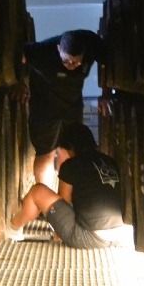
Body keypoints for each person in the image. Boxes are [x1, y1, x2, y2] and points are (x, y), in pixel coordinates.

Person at [6, 122, 132, 249]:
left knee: (37, 191)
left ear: (70, 147)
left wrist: (59, 232)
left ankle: (12, 230)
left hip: (89, 237)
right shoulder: (110, 161)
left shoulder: (71, 165)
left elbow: (64, 203)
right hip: (117, 233)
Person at [15, 29, 107, 187]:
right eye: (67, 61)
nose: (71, 65)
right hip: (44, 105)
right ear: (58, 49)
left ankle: (69, 195)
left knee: (72, 148)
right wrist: (19, 83)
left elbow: (107, 63)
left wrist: (105, 93)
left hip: (72, 103)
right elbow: (17, 55)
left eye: (76, 62)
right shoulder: (42, 51)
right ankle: (44, 196)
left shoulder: (91, 42)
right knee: (46, 152)